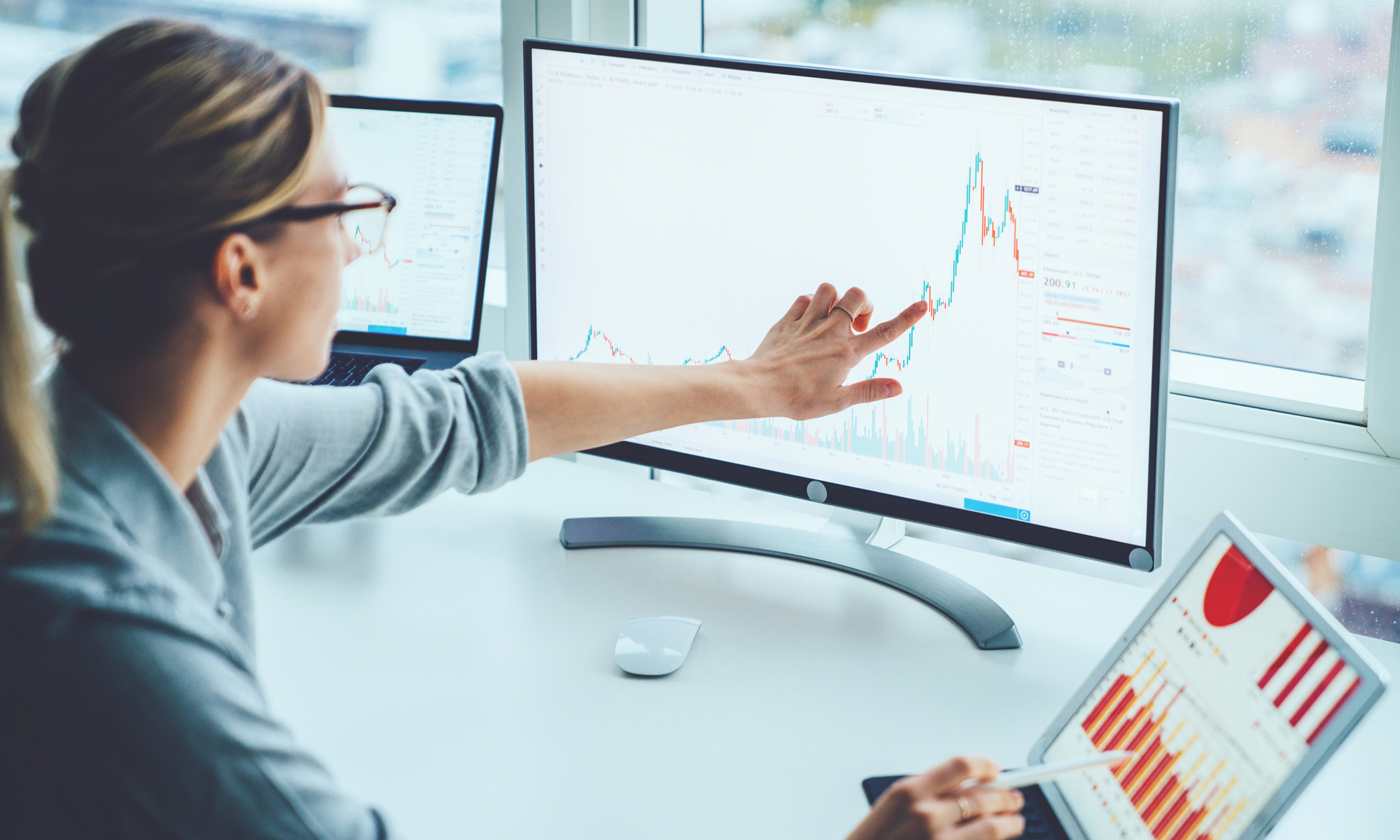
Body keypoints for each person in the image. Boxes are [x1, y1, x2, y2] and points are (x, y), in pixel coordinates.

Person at [0, 20, 1025, 840]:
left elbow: (461, 417)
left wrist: (753, 386)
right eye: (343, 210)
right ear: (242, 272)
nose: (359, 247)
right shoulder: (102, 637)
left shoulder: (132, 433)